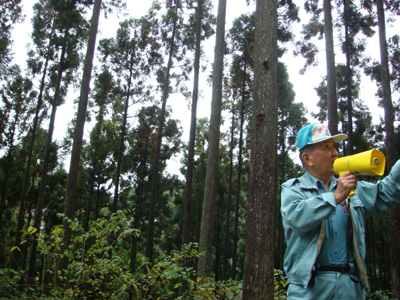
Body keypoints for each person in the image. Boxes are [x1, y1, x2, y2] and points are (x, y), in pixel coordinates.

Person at [280, 122, 400, 300]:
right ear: (307, 158)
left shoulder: (351, 188)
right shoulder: (293, 189)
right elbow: (298, 218)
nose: (335, 153)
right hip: (310, 288)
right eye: (326, 147)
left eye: (334, 146)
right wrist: (335, 197)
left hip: (350, 285)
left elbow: (385, 194)